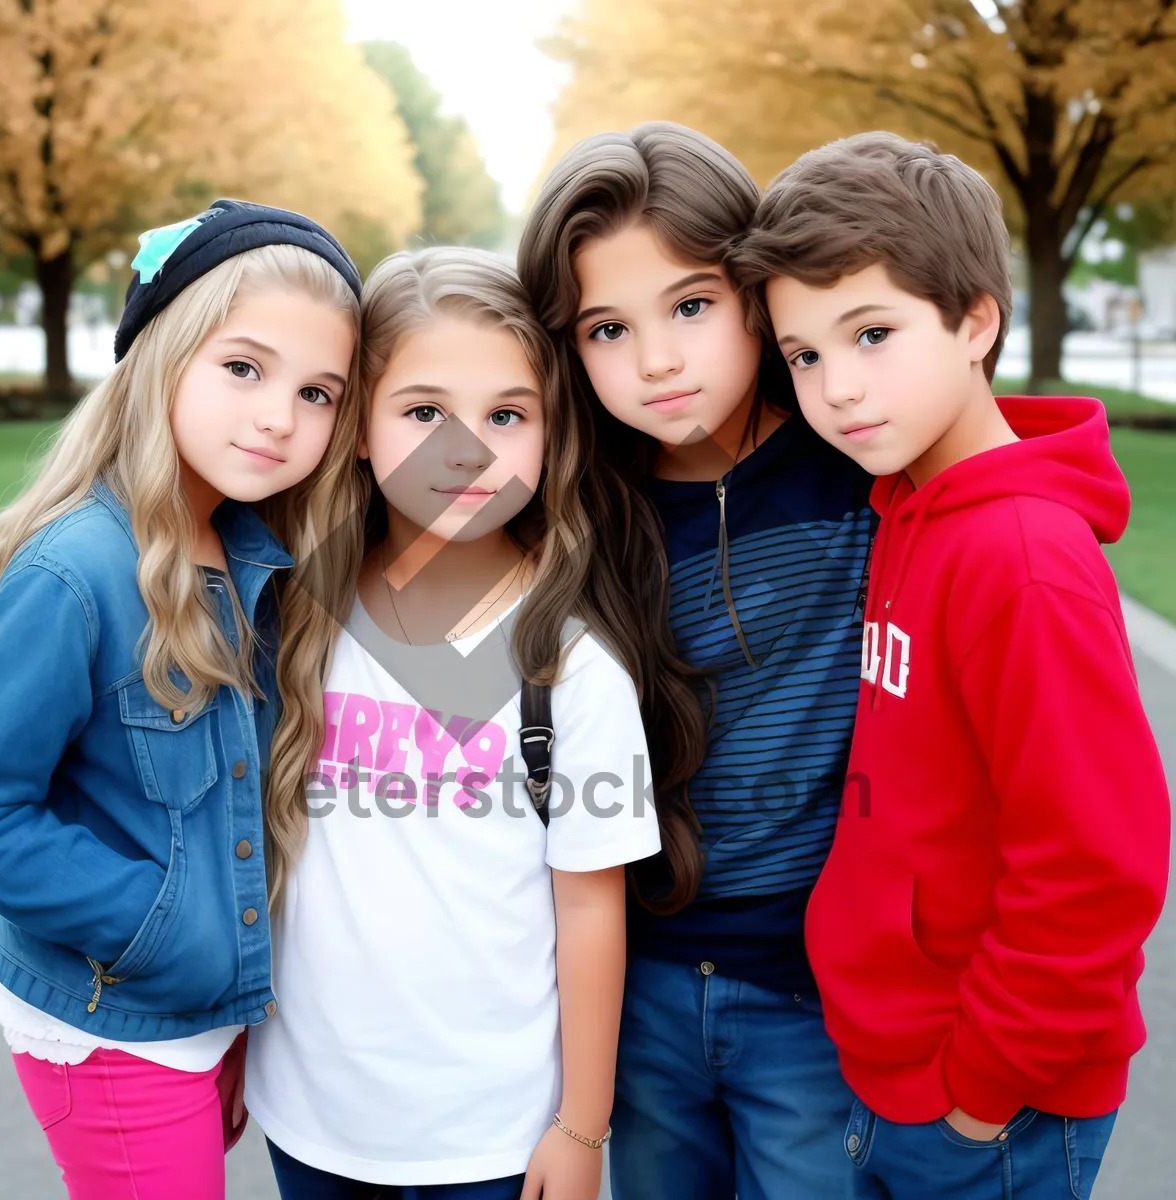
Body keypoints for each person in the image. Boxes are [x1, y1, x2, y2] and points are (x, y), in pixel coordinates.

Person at [732, 130, 1171, 1199]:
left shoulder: (1020, 559)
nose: (836, 388)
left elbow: (1097, 864)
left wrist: (979, 1091)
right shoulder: (910, 510)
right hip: (893, 1064)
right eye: (805, 355)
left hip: (989, 1101)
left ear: (977, 320)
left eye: (872, 333)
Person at [245, 247, 681, 1200]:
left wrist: (583, 1123)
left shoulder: (570, 666)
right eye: (424, 412)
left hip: (496, 1137)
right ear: (359, 428)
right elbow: (267, 857)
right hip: (313, 1115)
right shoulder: (295, 618)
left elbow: (589, 904)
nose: (468, 451)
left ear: (549, 436)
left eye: (506, 417)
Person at [0, 199, 366, 1200]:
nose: (280, 415)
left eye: (319, 392)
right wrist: (162, 925)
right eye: (243, 368)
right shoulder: (76, 574)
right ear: (161, 356)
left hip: (208, 1013)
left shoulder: (254, 559)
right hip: (108, 1026)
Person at [518, 122, 875, 1200]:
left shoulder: (855, 460)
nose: (658, 361)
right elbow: (395, 471)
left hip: (817, 997)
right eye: (607, 329)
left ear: (755, 296)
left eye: (691, 306)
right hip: (641, 987)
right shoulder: (568, 499)